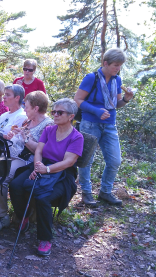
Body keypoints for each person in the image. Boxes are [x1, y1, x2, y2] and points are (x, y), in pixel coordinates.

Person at [9, 99, 83, 257]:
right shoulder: (49, 130)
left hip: (62, 173)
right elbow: (39, 151)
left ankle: (45, 238)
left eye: (60, 112)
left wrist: (46, 170)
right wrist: (37, 167)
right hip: (42, 165)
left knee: (44, 197)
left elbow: (68, 162)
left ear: (71, 116)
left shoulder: (77, 137)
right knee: (16, 185)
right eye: (54, 112)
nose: (55, 115)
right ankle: (24, 216)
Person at [74, 48, 134, 206]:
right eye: (115, 65)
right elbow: (78, 99)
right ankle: (86, 193)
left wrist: (127, 99)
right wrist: (96, 111)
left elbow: (116, 104)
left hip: (109, 125)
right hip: (90, 123)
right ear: (105, 63)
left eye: (120, 65)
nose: (118, 68)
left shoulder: (117, 80)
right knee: (86, 160)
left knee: (115, 160)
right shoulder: (91, 78)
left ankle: (105, 192)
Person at [3, 91, 54, 231]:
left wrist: (25, 139)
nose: (24, 109)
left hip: (31, 162)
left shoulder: (48, 125)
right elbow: (20, 138)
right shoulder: (28, 120)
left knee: (7, 181)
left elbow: (44, 151)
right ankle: (2, 212)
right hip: (14, 155)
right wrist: (13, 136)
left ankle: (16, 215)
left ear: (36, 108)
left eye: (27, 106)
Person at [0, 84, 27, 232]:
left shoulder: (21, 116)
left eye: (8, 95)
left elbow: (12, 140)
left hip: (15, 156)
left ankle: (2, 217)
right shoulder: (5, 115)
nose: (4, 97)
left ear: (17, 98)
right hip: (0, 152)